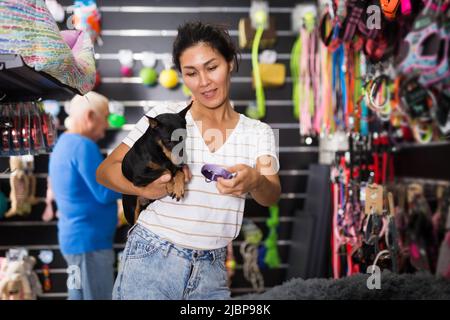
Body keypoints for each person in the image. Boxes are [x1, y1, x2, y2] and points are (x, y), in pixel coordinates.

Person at [96, 21, 281, 300]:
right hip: (151, 258)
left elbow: (272, 194)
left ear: (230, 63)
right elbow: (105, 171)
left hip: (213, 271)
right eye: (191, 73)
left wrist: (255, 180)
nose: (204, 82)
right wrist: (143, 190)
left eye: (212, 67)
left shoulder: (259, 132)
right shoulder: (164, 116)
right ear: (182, 76)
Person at [49, 92, 121, 300]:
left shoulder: (64, 143)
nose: (106, 125)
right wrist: (137, 186)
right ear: (90, 116)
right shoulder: (83, 145)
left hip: (75, 242)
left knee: (77, 295)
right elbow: (104, 191)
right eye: (105, 117)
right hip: (90, 245)